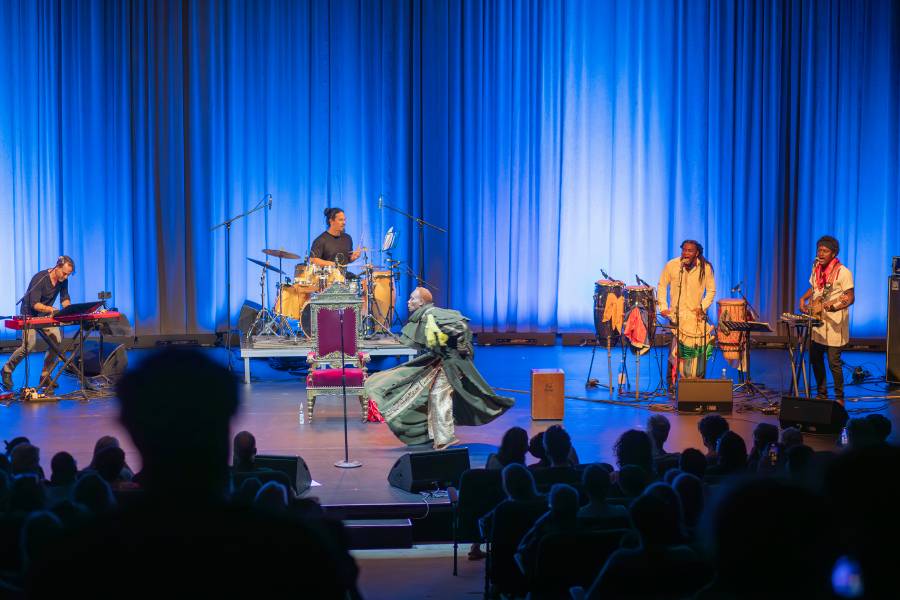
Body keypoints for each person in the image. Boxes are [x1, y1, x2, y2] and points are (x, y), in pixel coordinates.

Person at [365, 287, 514, 450]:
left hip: (453, 363)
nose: (409, 302)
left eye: (412, 298)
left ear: (421, 302)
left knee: (438, 394)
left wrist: (461, 345)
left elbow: (461, 325)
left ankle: (444, 438)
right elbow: (419, 341)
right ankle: (434, 434)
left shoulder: (432, 314)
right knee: (428, 393)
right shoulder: (423, 317)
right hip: (441, 360)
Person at [1, 256, 74, 391]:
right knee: (28, 346)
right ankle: (7, 369)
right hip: (29, 314)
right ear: (57, 267)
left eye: (68, 274)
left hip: (46, 314)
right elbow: (35, 304)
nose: (66, 276)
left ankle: (45, 376)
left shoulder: (63, 280)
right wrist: (52, 309)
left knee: (56, 343)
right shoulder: (40, 278)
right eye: (64, 273)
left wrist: (69, 309)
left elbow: (65, 299)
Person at [799, 235, 854, 402]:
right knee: (815, 359)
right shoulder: (816, 268)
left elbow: (850, 297)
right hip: (818, 322)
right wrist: (803, 298)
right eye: (819, 250)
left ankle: (839, 398)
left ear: (833, 253)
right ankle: (821, 394)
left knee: (833, 363)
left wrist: (833, 306)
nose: (821, 253)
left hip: (834, 324)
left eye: (825, 251)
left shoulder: (843, 272)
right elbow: (814, 288)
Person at [658, 240, 716, 384]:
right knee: (674, 352)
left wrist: (702, 307)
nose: (686, 253)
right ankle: (671, 384)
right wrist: (663, 306)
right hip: (676, 316)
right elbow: (661, 286)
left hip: (695, 317)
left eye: (690, 251)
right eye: (684, 250)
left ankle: (698, 381)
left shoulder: (705, 268)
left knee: (697, 351)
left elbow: (711, 290)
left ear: (696, 253)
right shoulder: (672, 265)